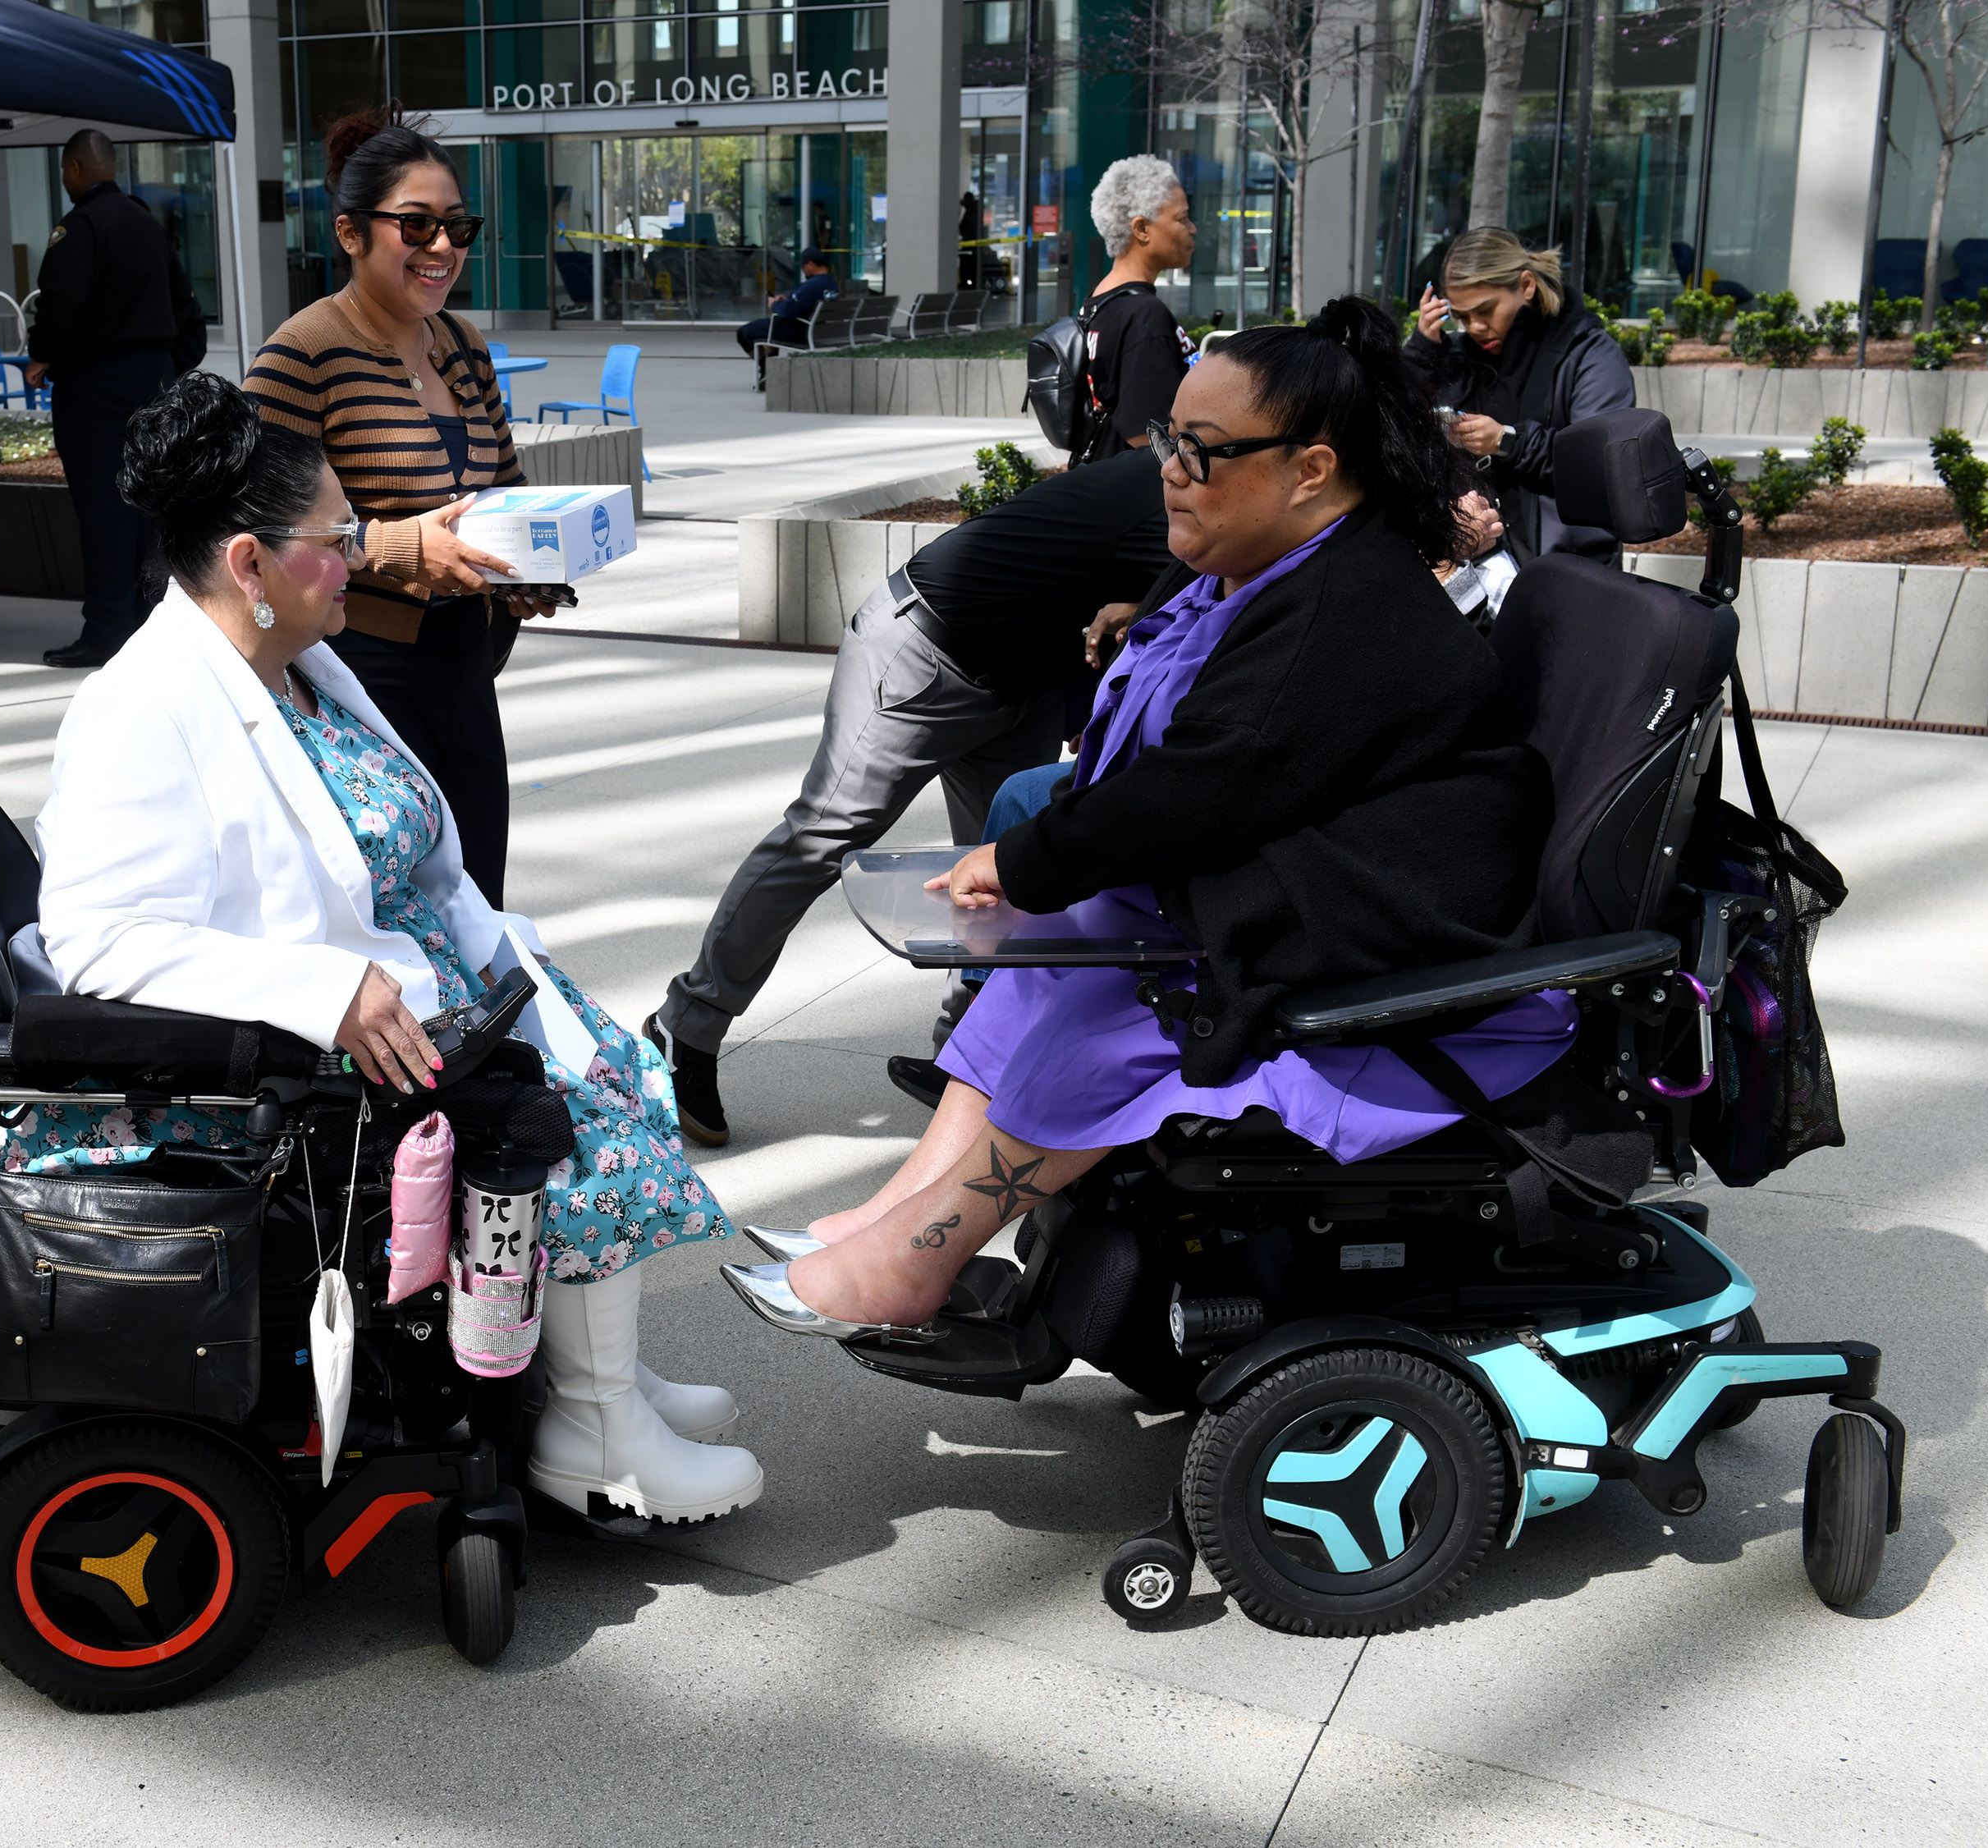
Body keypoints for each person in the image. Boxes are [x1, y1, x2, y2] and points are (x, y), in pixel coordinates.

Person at [721, 298, 1560, 1339]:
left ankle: (910, 1258)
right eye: (1169, 436)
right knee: (1060, 956)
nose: (1170, 465)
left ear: (1310, 469)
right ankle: (897, 1217)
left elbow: (1201, 783)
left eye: (1202, 450)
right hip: (1316, 886)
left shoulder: (1347, 609)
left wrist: (1027, 861)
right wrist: (1041, 869)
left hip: (1395, 936)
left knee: (1118, 996)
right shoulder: (1269, 566)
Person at [31, 371, 762, 1524]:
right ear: (247, 564)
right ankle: (595, 1428)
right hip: (301, 1048)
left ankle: (597, 1373)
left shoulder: (296, 662)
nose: (360, 554)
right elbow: (92, 936)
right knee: (576, 1122)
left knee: (613, 1062)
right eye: (337, 538)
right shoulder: (143, 708)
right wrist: (321, 988)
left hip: (430, 979)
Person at [643, 450, 1178, 1147]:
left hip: (1025, 685)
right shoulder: (1174, 494)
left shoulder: (1200, 490)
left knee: (1012, 867)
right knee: (823, 836)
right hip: (927, 651)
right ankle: (688, 1024)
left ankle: (964, 1055)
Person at [244, 104, 555, 910]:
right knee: (396, 913)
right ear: (350, 234)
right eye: (416, 227)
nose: (443, 248)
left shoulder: (462, 344)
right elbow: (248, 526)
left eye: (457, 226)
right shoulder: (300, 355)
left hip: (466, 665)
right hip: (358, 678)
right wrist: (390, 546)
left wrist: (533, 564)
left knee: (479, 897)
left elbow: (506, 485)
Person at [24, 127, 210, 669]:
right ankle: (154, 624)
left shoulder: (79, 228)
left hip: (97, 386)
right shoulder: (149, 226)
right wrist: (164, 367)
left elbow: (60, 310)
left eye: (65, 171)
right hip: (152, 380)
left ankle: (107, 630)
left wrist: (45, 355)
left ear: (77, 170)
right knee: (149, 508)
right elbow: (187, 313)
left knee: (104, 510)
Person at [1405, 227, 1635, 562]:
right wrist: (1423, 352)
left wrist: (1507, 441)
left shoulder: (1589, 353)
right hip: (1482, 569)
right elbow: (1402, 427)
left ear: (1526, 285)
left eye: (1485, 310)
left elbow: (1599, 462)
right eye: (1462, 316)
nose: (1475, 326)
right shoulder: (1455, 354)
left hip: (1570, 569)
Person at [1073, 155, 1198, 466]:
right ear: (1142, 228)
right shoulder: (1143, 315)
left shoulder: (1099, 302)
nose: (1192, 229)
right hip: (1134, 498)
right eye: (1182, 219)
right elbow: (1148, 434)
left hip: (1098, 480)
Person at [737, 248, 837, 387]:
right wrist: (786, 302)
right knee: (768, 330)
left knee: (744, 333)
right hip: (817, 330)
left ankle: (768, 371)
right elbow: (799, 305)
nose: (803, 270)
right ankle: (768, 374)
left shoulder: (811, 285)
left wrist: (774, 304)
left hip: (798, 331)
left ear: (811, 265)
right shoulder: (831, 283)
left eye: (803, 266)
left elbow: (788, 312)